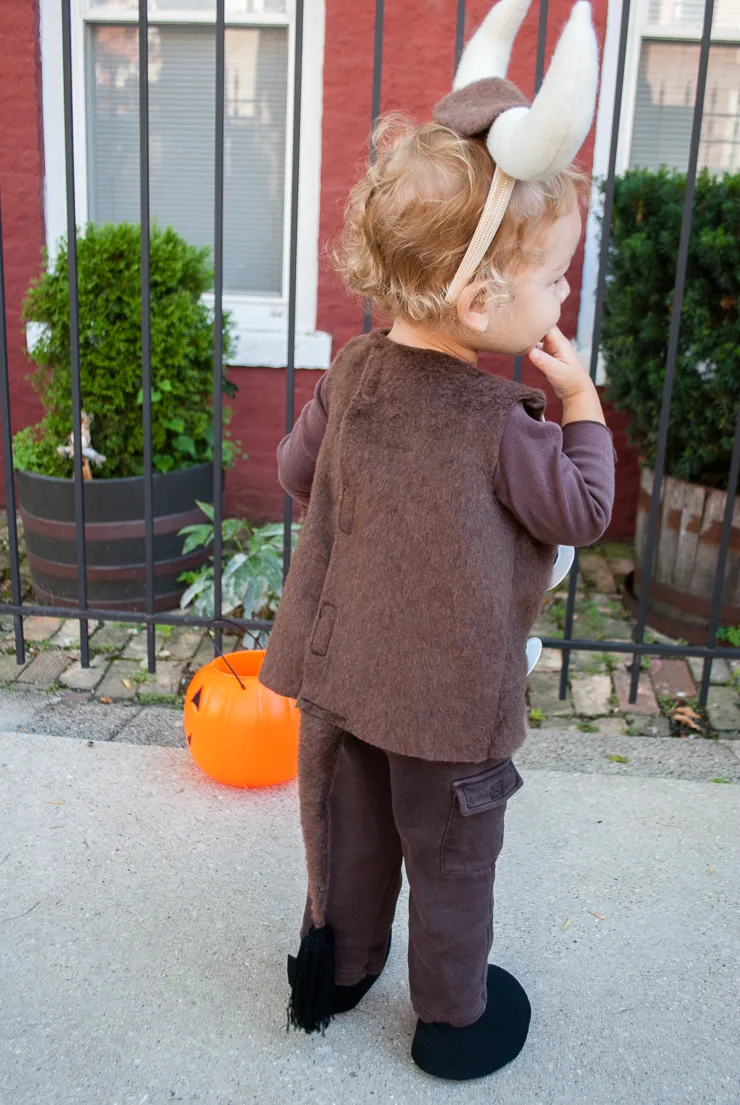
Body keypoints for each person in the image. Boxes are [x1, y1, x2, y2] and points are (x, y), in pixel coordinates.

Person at [258, 0, 615, 1081]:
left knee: (353, 837)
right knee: (452, 859)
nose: (560, 295)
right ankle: (453, 1019)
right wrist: (582, 405)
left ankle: (346, 964)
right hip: (452, 709)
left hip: (343, 675)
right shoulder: (502, 426)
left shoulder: (353, 375)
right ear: (477, 297)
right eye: (552, 276)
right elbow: (583, 513)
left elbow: (292, 476)